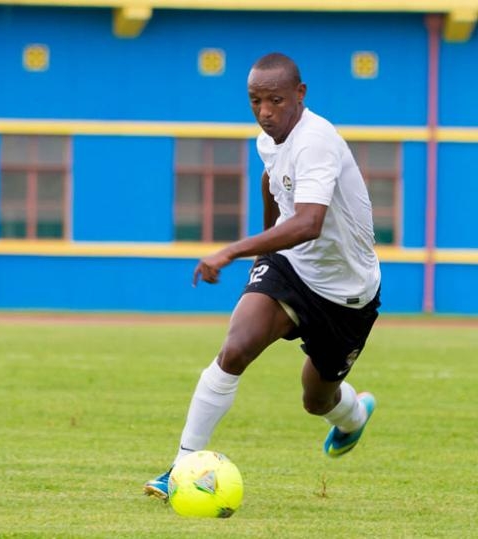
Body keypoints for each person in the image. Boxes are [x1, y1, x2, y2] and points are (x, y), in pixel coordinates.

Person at [144, 52, 381, 499]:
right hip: (291, 266)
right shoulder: (268, 139)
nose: (265, 111)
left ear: (300, 94)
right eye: (255, 101)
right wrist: (265, 250)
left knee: (316, 399)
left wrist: (234, 250)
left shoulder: (317, 141)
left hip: (346, 294)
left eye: (275, 100)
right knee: (234, 350)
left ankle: (354, 415)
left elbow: (309, 223)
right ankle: (180, 467)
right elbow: (271, 181)